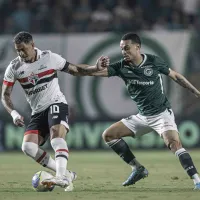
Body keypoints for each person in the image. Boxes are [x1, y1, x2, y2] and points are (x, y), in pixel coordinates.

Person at [87, 32, 200, 190]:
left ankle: (197, 181)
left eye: (126, 48)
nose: (123, 52)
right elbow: (92, 73)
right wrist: (94, 67)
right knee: (108, 135)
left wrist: (196, 92)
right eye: (121, 49)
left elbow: (176, 76)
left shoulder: (153, 61)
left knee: (174, 144)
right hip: (143, 117)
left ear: (137, 47)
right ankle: (138, 168)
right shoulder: (121, 66)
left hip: (162, 114)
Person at [1, 31, 108, 191]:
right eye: (17, 50)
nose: (21, 54)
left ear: (33, 45)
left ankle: (60, 178)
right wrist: (14, 113)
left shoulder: (49, 58)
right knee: (28, 147)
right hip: (37, 112)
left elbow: (75, 69)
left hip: (56, 103)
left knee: (56, 137)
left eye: (23, 49)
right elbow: (5, 95)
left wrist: (94, 68)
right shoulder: (14, 67)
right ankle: (67, 174)